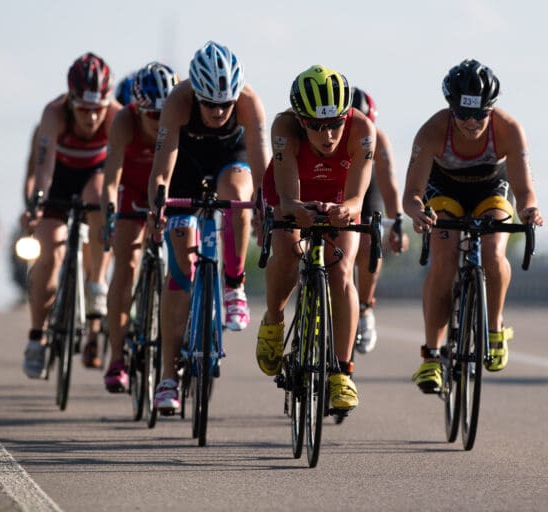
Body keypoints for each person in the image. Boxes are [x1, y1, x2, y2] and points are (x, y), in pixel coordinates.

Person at [403, 59, 544, 393]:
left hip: (490, 189)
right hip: (444, 191)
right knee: (445, 259)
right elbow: (412, 194)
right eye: (463, 114)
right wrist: (417, 213)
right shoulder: (432, 131)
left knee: (494, 255)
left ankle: (494, 328)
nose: (471, 122)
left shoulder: (508, 129)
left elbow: (524, 191)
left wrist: (529, 210)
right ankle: (432, 357)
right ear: (451, 109)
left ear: (491, 109)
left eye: (480, 114)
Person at [147, 41, 269, 413]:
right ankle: (168, 376)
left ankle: (234, 286)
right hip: (186, 164)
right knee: (181, 264)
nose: (218, 111)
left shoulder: (248, 101)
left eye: (225, 104)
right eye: (210, 104)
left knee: (238, 197)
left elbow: (262, 167)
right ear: (196, 94)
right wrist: (158, 206)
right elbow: (163, 165)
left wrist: (266, 210)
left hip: (231, 159)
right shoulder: (178, 101)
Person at [255, 65, 376, 412]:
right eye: (317, 126)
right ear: (301, 119)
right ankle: (274, 321)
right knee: (288, 252)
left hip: (340, 196)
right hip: (292, 190)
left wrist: (343, 210)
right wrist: (299, 209)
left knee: (340, 271)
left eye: (336, 123)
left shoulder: (363, 129)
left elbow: (357, 198)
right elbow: (289, 199)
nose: (328, 135)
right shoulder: (284, 127)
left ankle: (342, 373)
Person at [21, 52, 122, 378]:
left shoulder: (115, 117)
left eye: (98, 110)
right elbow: (43, 169)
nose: (92, 118)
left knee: (99, 200)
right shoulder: (54, 113)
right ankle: (37, 335)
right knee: (49, 254)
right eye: (83, 110)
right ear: (70, 101)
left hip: (95, 176)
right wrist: (35, 206)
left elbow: (118, 176)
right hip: (59, 181)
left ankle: (95, 287)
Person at [99, 62, 179, 392]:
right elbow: (110, 180)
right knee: (126, 263)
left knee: (181, 264)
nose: (161, 123)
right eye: (153, 116)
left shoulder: (180, 119)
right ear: (139, 108)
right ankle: (117, 358)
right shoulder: (124, 121)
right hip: (132, 193)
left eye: (166, 114)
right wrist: (109, 215)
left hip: (171, 193)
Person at [349, 87, 409, 355]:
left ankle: (364, 307)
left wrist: (396, 223)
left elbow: (389, 185)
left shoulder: (378, 140)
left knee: (369, 237)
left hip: (365, 190)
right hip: (331, 182)